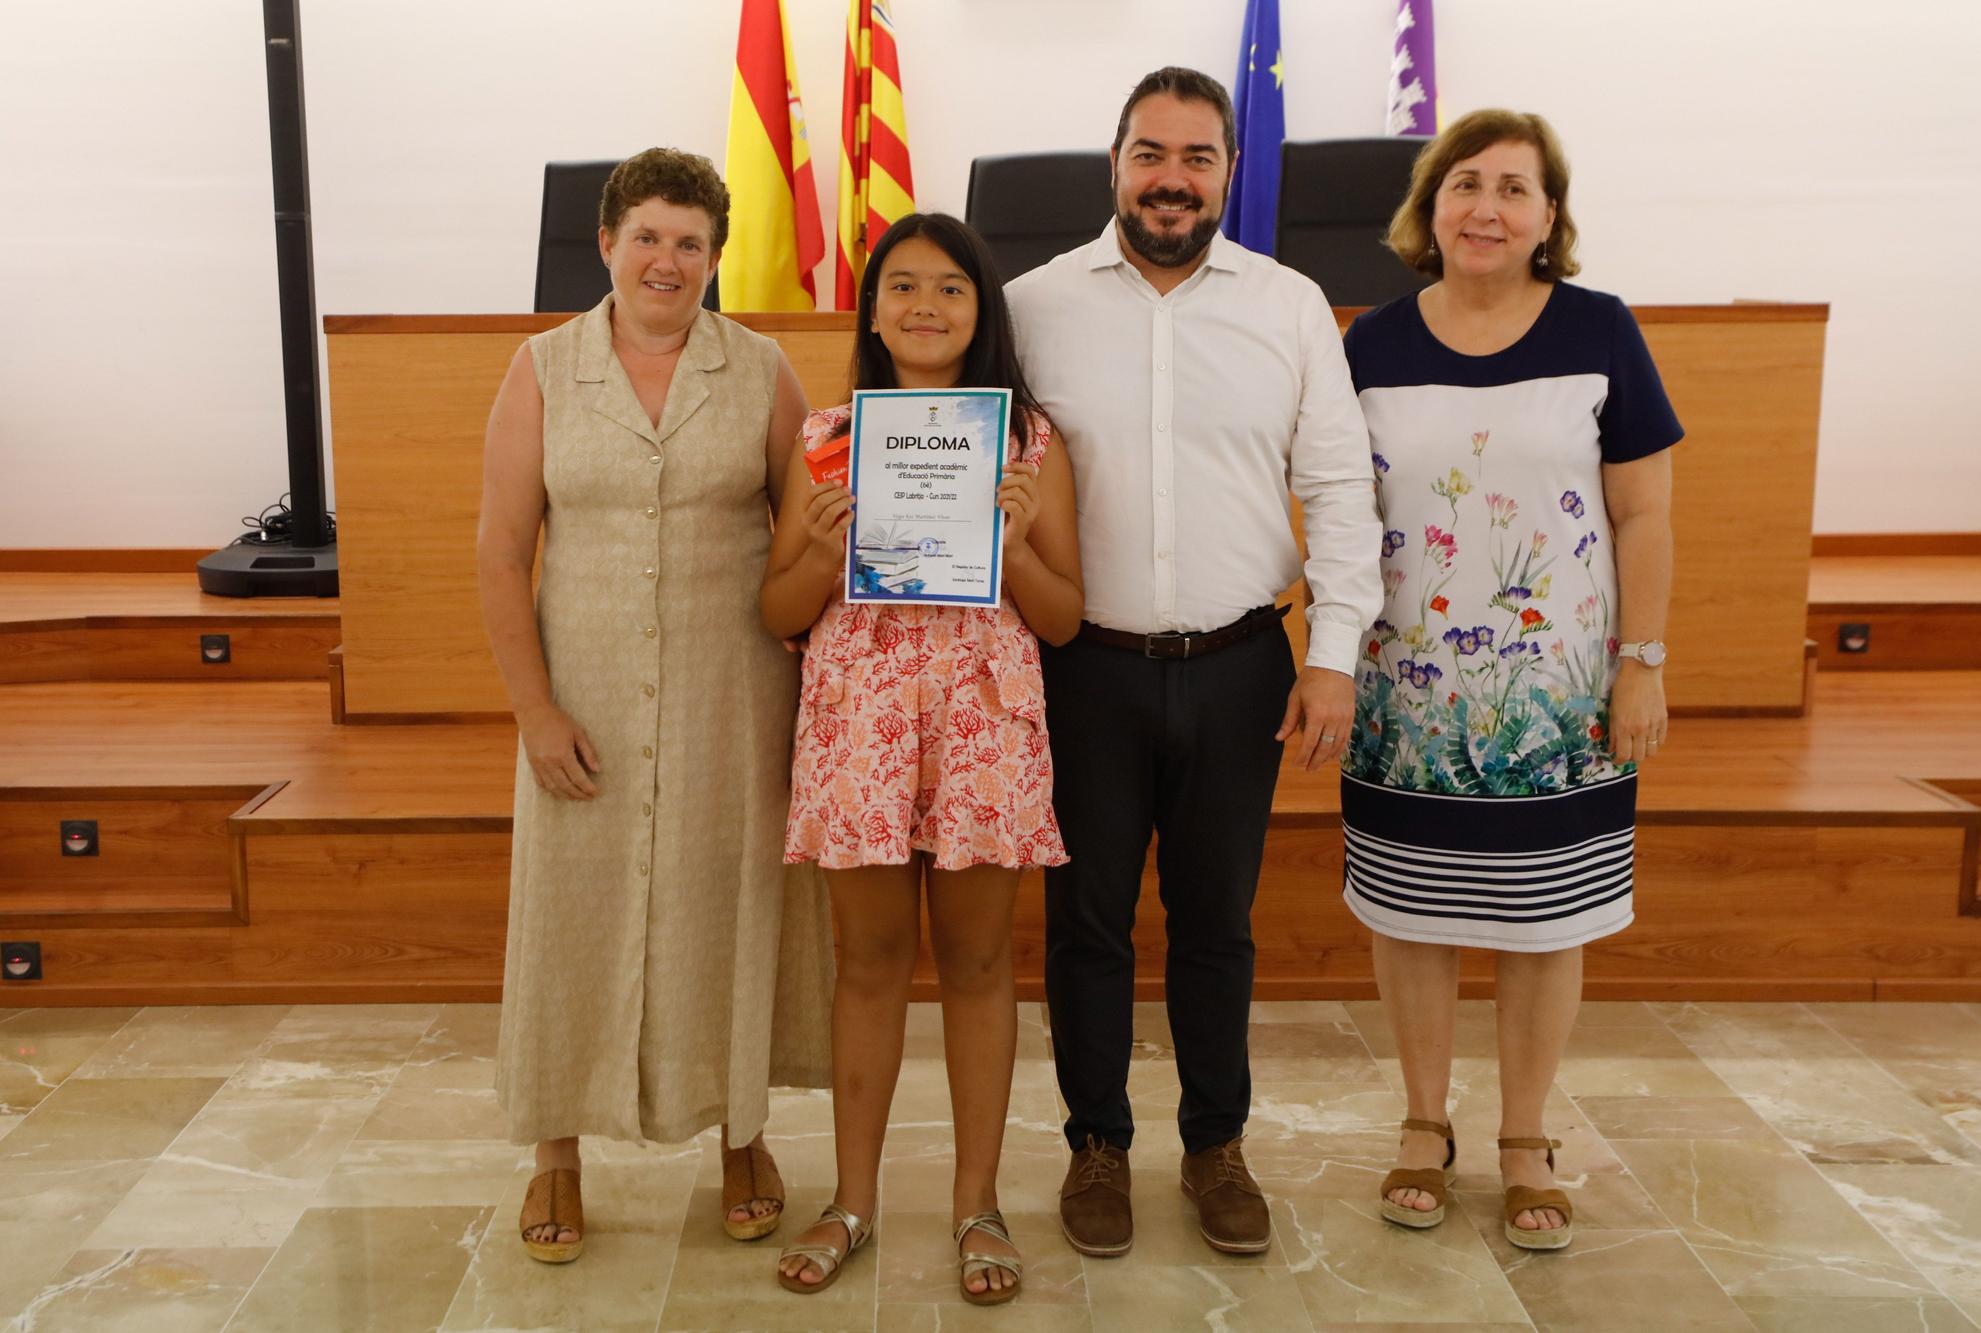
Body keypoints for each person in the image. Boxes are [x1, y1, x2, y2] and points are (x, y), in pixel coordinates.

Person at [1006, 67, 1384, 1259]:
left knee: (1216, 921)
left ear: (1229, 170)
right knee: (1087, 923)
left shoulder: (1287, 305)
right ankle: (1097, 1148)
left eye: (1197, 156)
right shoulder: (1029, 305)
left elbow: (1336, 487)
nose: (1172, 178)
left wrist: (1331, 657)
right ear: (1111, 164)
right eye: (1149, 153)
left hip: (1238, 666)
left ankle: (1216, 1144)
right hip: (1083, 669)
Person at [476, 147, 835, 1264]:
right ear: (605, 244)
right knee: (567, 916)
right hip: (581, 700)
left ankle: (742, 1134)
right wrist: (533, 709)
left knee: (727, 912)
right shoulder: (541, 368)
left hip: (735, 699)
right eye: (647, 237)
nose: (666, 260)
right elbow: (499, 552)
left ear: (715, 259)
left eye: (689, 242)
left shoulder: (763, 367)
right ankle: (555, 1153)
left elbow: (802, 530)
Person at [1340, 109, 1678, 1251]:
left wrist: (1641, 665)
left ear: (1548, 217)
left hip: (1559, 696)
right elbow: (1340, 517)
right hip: (1409, 697)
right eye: (1463, 183)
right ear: (1428, 206)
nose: (1485, 206)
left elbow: (1641, 511)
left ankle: (1524, 1137)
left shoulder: (1599, 330)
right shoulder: (1368, 344)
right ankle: (1421, 1123)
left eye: (1513, 188)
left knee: (1546, 919)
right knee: (1413, 910)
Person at [762, 212, 1083, 1304]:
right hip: (859, 720)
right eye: (901, 286)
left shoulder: (1030, 442)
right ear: (870, 310)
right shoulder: (824, 436)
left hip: (983, 720)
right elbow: (777, 610)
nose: (925, 307)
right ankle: (853, 1200)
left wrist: (1015, 542)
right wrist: (813, 542)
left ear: (981, 309)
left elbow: (1065, 619)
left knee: (980, 965)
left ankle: (977, 1204)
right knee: (865, 964)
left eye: (950, 288)